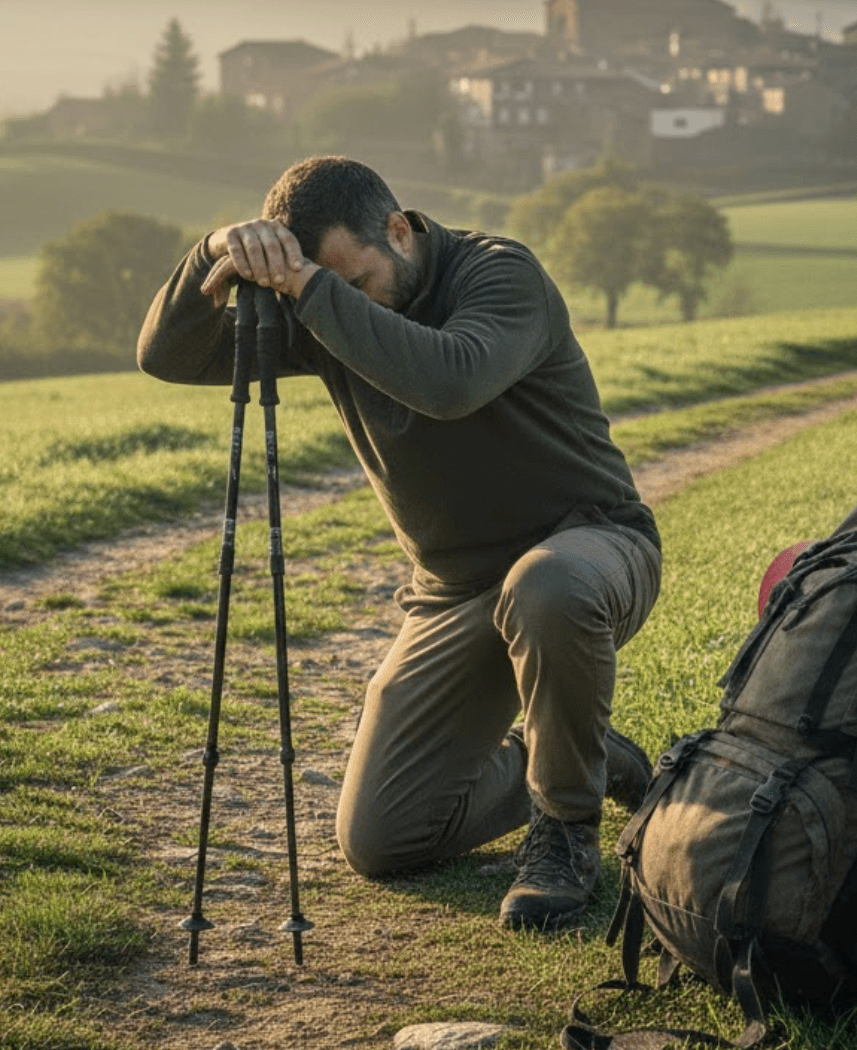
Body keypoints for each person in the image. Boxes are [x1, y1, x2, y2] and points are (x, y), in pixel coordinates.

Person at [138, 156, 661, 930]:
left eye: (352, 282)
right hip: (452, 594)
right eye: (321, 286)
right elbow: (168, 356)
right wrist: (217, 250)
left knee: (546, 586)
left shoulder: (500, 274)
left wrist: (310, 293)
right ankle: (584, 751)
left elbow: (451, 382)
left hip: (588, 546)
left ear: (399, 228)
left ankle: (564, 830)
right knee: (383, 837)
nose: (338, 301)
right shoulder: (324, 305)